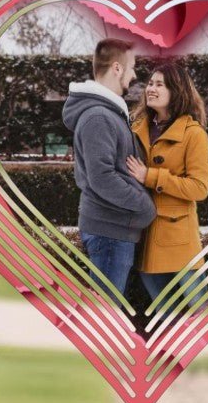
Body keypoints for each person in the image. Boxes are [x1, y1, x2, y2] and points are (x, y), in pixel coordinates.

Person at [61, 38, 156, 297]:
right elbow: (102, 177)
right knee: (107, 314)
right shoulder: (99, 117)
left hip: (114, 230)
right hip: (110, 232)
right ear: (117, 68)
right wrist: (144, 204)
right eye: (132, 67)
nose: (135, 75)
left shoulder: (108, 113)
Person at [127, 59, 208, 311]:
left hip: (179, 241)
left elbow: (199, 188)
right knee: (163, 314)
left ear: (176, 91)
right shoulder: (135, 128)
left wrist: (151, 177)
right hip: (143, 237)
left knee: (201, 311)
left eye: (160, 85)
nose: (151, 89)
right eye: (150, 83)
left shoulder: (193, 134)